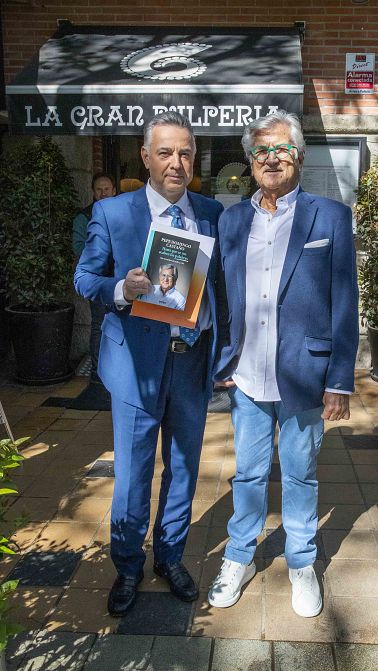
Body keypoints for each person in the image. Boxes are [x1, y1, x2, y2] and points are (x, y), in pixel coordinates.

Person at [209, 110, 359, 618]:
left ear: (299, 154)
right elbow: (221, 297)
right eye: (260, 152)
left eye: (281, 149)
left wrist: (340, 378)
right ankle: (239, 556)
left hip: (304, 377)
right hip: (247, 377)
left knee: (299, 476)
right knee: (248, 476)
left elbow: (345, 303)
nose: (271, 159)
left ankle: (300, 563)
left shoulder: (330, 217)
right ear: (250, 162)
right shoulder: (232, 220)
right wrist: (221, 359)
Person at [74, 111, 223, 616]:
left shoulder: (211, 212)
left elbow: (219, 288)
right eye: (165, 152)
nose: (175, 163)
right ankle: (128, 567)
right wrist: (122, 288)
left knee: (183, 470)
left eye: (184, 152)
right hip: (136, 367)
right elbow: (84, 278)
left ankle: (171, 557)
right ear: (145, 156)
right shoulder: (114, 214)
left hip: (190, 366)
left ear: (194, 157)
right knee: (135, 475)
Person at [72, 172, 116, 382]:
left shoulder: (122, 214)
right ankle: (98, 372)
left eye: (107, 189)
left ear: (114, 191)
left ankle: (118, 370)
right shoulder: (84, 217)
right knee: (98, 325)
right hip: (98, 281)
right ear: (93, 192)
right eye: (99, 189)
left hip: (123, 280)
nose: (103, 193)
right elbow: (78, 247)